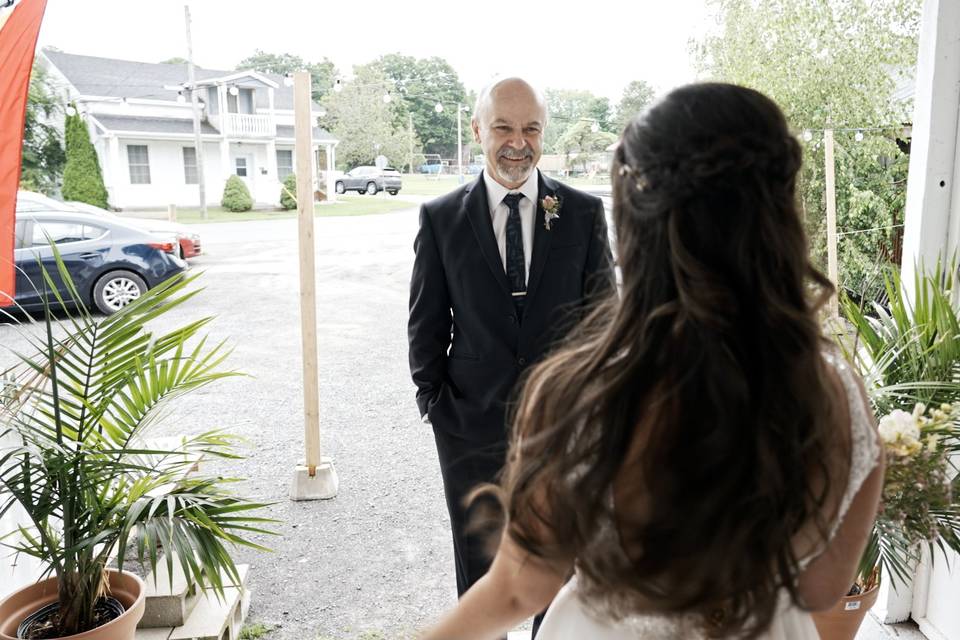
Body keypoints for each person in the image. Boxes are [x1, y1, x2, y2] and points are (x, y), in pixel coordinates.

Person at [420, 82, 884, 639]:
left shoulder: (584, 395)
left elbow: (520, 587)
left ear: (639, 223)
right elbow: (822, 589)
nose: (519, 140)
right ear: (780, 217)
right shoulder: (839, 396)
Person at [407, 75, 616, 630]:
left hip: (563, 436)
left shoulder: (581, 213)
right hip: (470, 433)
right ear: (478, 130)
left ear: (543, 134)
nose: (517, 141)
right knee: (481, 578)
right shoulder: (441, 218)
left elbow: (605, 325)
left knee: (561, 578)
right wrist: (436, 406)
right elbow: (425, 327)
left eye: (530, 129)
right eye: (503, 127)